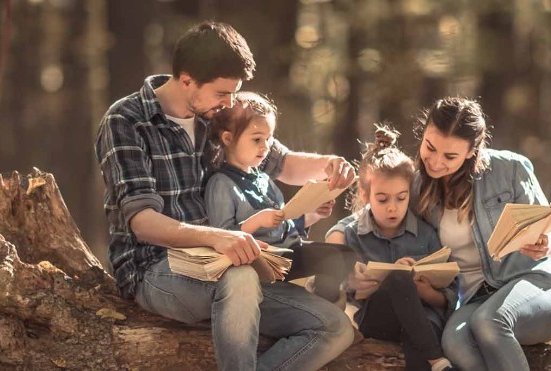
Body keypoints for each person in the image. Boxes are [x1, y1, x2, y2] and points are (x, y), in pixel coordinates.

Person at [94, 21, 356, 370]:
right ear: (187, 80)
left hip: (230, 266)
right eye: (222, 93)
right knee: (241, 277)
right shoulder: (126, 121)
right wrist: (219, 237)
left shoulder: (215, 115)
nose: (229, 102)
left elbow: (283, 164)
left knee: (334, 327)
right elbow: (143, 222)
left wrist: (330, 165)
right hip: (156, 270)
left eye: (234, 93)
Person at [411, 97, 551, 370]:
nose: (435, 162)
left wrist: (547, 243)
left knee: (490, 321)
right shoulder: (417, 188)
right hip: (475, 299)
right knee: (454, 342)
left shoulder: (509, 169)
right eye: (430, 147)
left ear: (471, 151)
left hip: (536, 285)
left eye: (450, 156)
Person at [204, 91, 354, 303]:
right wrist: (257, 221)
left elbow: (284, 221)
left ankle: (321, 299)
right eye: (257, 139)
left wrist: (313, 215)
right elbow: (222, 236)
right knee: (332, 259)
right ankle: (321, 304)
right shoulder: (221, 183)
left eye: (268, 139)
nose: (265, 147)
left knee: (346, 254)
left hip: (290, 248)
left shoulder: (263, 178)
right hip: (268, 258)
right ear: (228, 139)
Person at [326, 126, 453, 371]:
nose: (392, 207)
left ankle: (434, 361)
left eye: (401, 198)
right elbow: (346, 293)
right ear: (365, 195)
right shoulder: (352, 235)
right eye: (382, 199)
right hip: (378, 321)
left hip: (425, 320)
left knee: (418, 331)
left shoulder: (426, 234)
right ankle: (438, 361)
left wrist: (425, 291)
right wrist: (355, 282)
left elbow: (447, 297)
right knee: (398, 278)